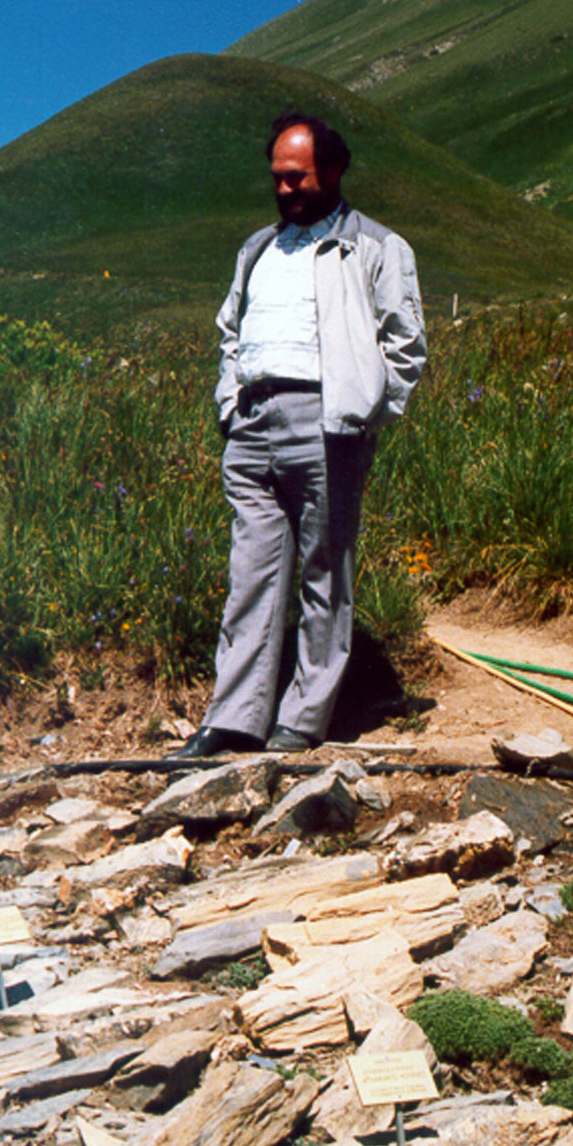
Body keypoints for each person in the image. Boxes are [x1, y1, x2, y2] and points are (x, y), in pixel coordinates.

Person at [176, 111, 426, 758]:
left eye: (298, 177)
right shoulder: (257, 248)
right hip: (252, 425)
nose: (286, 189)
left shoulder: (374, 247)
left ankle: (302, 720)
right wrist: (230, 402)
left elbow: (405, 345)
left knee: (324, 572)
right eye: (278, 179)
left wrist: (363, 413)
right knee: (251, 573)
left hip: (326, 425)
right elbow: (229, 328)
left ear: (334, 172)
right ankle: (234, 720)